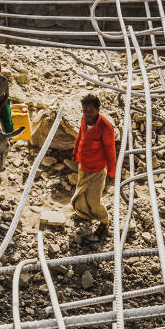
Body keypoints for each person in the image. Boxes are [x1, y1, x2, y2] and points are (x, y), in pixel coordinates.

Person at [71, 93, 117, 231]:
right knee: (81, 195)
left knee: (94, 201)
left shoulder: (106, 127)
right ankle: (85, 215)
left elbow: (111, 152)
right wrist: (75, 152)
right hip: (83, 165)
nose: (87, 114)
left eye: (91, 111)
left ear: (98, 110)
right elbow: (80, 136)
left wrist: (112, 174)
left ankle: (104, 221)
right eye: (85, 110)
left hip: (97, 170)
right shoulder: (84, 120)